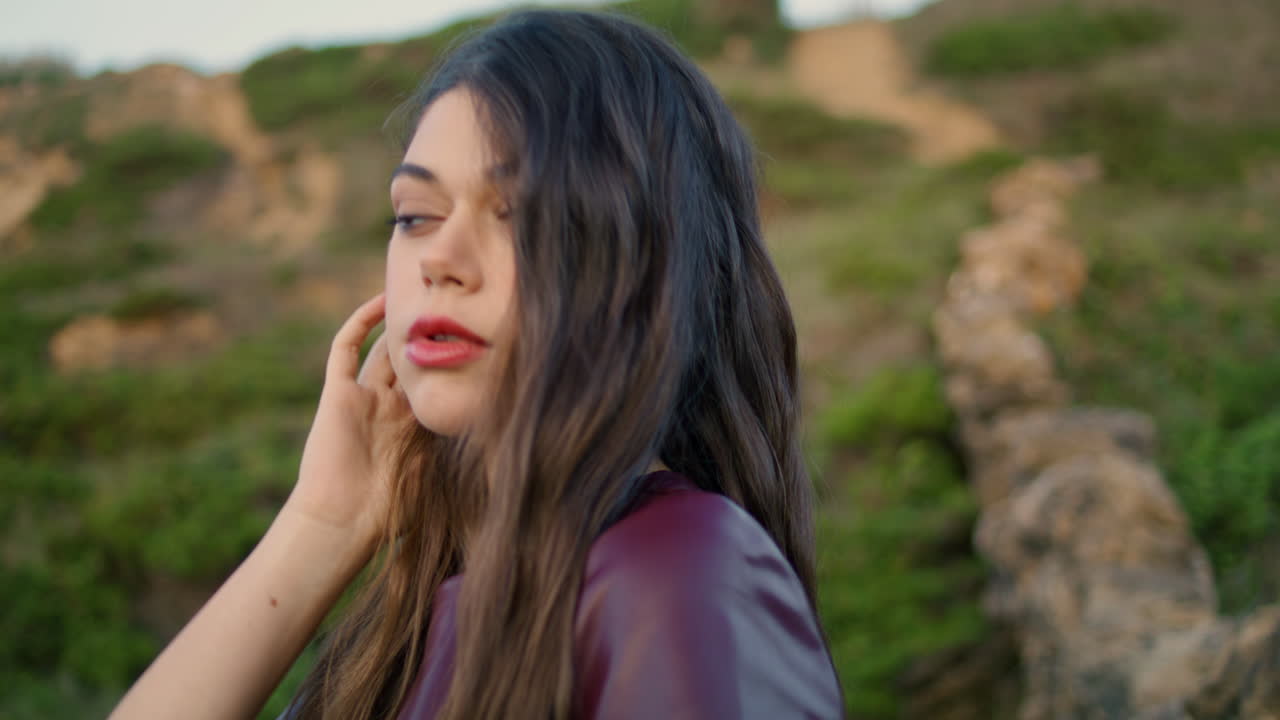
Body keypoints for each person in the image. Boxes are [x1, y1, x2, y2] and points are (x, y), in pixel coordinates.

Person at [110, 9, 844, 720]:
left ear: (651, 266)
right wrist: (324, 523)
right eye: (415, 216)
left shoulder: (677, 573)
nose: (440, 258)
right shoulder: (411, 618)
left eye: (519, 214)